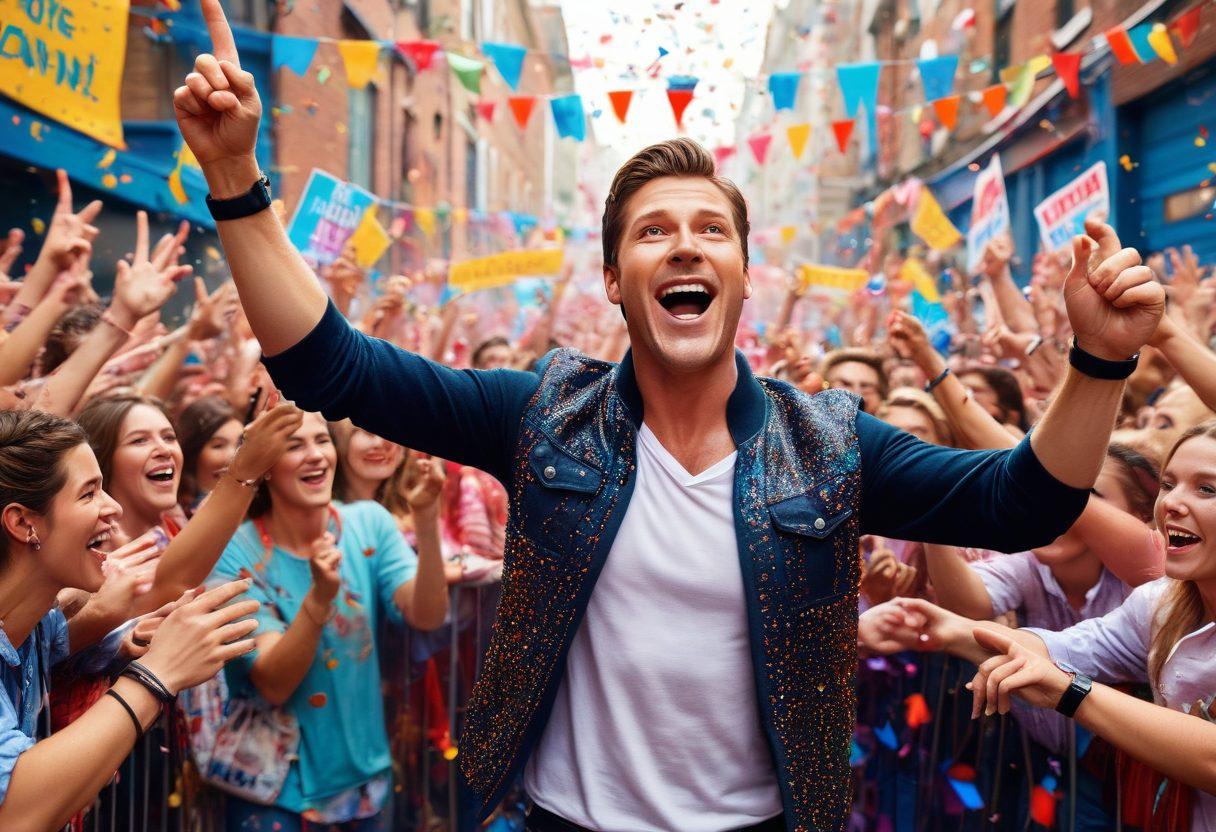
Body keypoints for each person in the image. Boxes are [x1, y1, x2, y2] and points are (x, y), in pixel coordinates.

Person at [173, 8, 1165, 828]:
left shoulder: (826, 440)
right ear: (613, 277)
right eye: (653, 231)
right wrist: (234, 179)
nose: (683, 248)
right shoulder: (539, 414)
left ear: (741, 275)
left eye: (708, 231)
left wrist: (1100, 359)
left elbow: (1025, 503)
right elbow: (329, 364)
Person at [0, 408, 259, 831]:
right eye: (89, 494)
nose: (113, 508)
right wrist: (158, 674)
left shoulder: (32, 628)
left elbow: (62, 638)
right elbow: (15, 811)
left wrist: (129, 636)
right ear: (23, 522)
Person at [208, 412, 449, 830]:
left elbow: (427, 615)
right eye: (295, 445)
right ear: (263, 466)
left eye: (322, 440)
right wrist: (320, 599)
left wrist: (426, 522)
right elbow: (274, 682)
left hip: (364, 784)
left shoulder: (367, 522)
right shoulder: (234, 554)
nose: (316, 455)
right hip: (276, 793)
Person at [177, 395, 244, 511]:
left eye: (240, 443)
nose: (233, 455)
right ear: (192, 455)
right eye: (218, 446)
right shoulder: (179, 519)